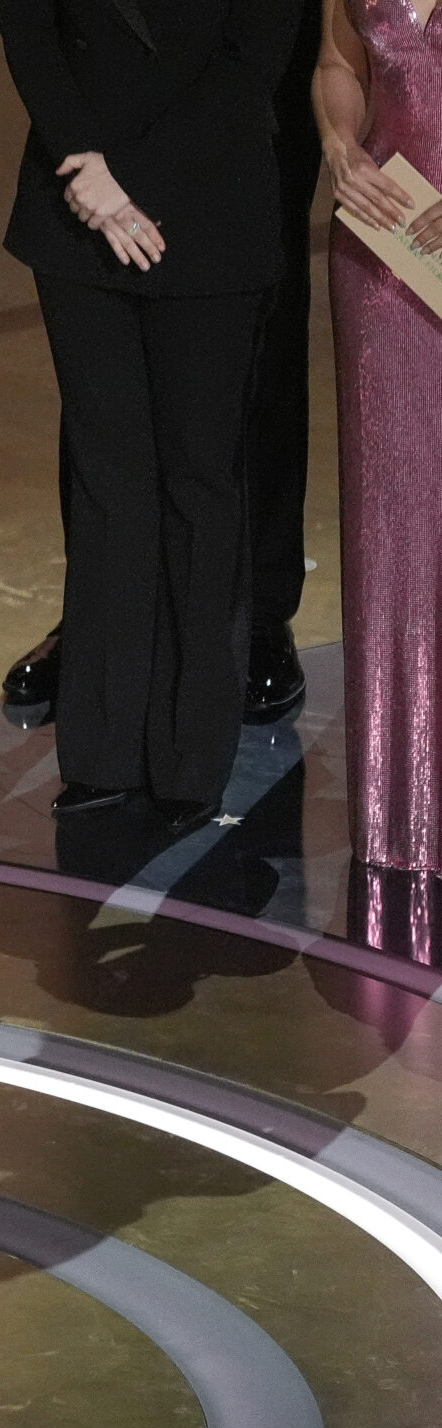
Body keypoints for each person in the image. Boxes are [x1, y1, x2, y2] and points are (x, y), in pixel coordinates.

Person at [0, 0, 303, 832]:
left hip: (207, 214)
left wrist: (125, 180)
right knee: (109, 479)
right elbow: (27, 20)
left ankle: (188, 761)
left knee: (199, 485)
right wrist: (82, 164)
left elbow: (252, 62)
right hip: (77, 218)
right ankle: (101, 751)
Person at [318, 0, 442, 892]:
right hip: (386, 251)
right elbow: (340, 64)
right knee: (390, 517)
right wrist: (338, 145)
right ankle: (401, 807)